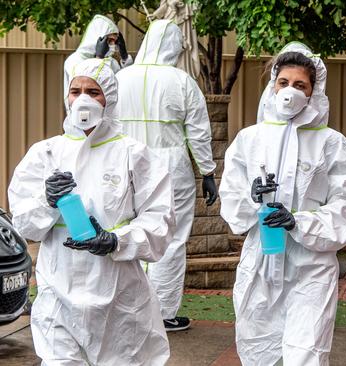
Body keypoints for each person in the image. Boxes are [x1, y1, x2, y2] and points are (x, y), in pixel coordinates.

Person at [8, 58, 173, 365]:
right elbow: (25, 226)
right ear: (67, 97)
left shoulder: (133, 154)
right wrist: (46, 201)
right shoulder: (45, 153)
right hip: (59, 294)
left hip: (118, 299)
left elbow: (160, 221)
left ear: (108, 99)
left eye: (93, 92)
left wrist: (115, 240)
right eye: (76, 91)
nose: (83, 99)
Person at [219, 42, 346, 366]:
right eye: (284, 83)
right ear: (272, 85)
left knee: (306, 356)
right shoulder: (249, 140)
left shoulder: (332, 144)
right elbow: (231, 201)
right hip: (259, 266)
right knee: (258, 353)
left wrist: (298, 222)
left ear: (314, 92)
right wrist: (251, 198)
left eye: (300, 85)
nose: (290, 91)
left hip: (310, 270)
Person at [116, 19, 217, 332]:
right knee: (171, 239)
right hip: (170, 167)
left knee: (126, 232)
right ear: (173, 46)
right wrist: (208, 172)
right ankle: (162, 315)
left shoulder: (121, 78)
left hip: (126, 165)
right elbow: (199, 132)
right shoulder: (182, 81)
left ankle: (127, 309)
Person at [63, 14, 132, 98]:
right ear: (97, 39)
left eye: (115, 41)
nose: (113, 45)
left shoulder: (111, 62)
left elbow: (125, 84)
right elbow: (87, 85)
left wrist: (124, 56)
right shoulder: (74, 61)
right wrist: (99, 58)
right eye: (109, 40)